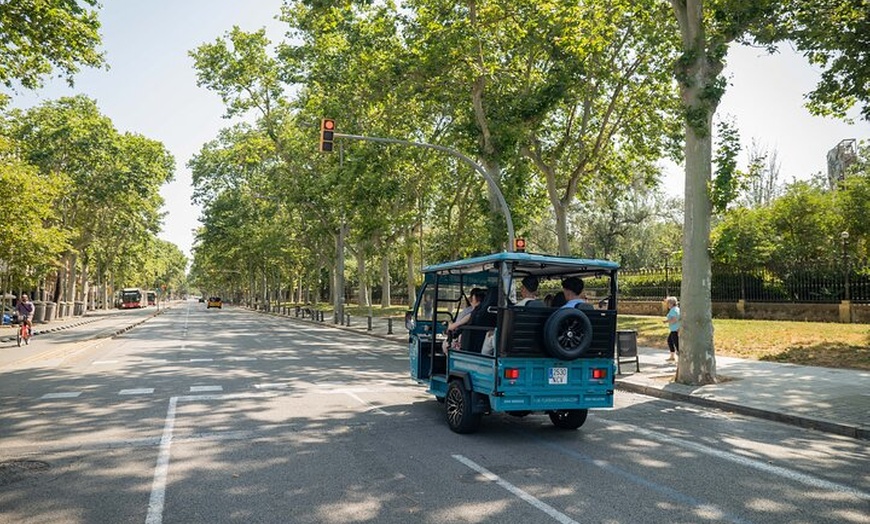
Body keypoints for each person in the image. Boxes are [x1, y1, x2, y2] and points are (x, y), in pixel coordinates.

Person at [664, 296, 681, 362]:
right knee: (670, 341)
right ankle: (672, 356)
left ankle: (680, 359)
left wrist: (667, 321)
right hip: (674, 329)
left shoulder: (673, 310)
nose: (667, 305)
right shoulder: (676, 309)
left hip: (675, 330)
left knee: (677, 344)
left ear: (671, 303)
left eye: (668, 303)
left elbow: (675, 319)